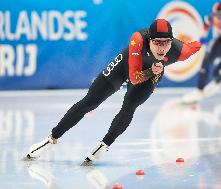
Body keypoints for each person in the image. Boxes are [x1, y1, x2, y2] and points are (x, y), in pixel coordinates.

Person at [24, 19, 201, 165]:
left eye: (166, 43)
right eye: (157, 43)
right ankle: (51, 139)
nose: (162, 48)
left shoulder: (180, 51)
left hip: (151, 74)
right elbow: (133, 77)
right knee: (90, 101)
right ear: (149, 41)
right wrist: (150, 71)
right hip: (126, 68)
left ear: (172, 41)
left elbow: (197, 45)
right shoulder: (138, 39)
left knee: (130, 105)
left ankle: (105, 144)